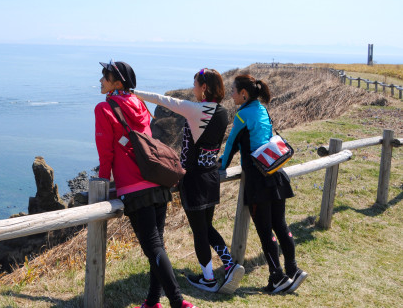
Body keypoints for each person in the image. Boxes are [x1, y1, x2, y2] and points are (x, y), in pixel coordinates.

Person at [95, 60, 198, 308]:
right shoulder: (139, 104)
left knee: (153, 248)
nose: (100, 81)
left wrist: (102, 182)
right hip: (156, 180)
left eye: (105, 77)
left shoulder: (104, 108)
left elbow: (106, 151)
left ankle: (178, 302)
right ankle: (153, 301)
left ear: (117, 83)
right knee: (157, 247)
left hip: (133, 186)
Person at [134, 68, 244, 294]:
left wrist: (133, 92)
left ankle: (209, 279)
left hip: (194, 180)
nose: (193, 89)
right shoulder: (223, 112)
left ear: (204, 87)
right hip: (211, 176)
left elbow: (164, 100)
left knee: (199, 232)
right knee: (206, 227)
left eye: (195, 85)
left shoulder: (197, 111)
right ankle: (230, 265)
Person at [218, 74, 308, 294]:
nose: (231, 94)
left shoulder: (242, 115)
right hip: (275, 173)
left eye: (233, 90)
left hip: (258, 181)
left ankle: (277, 277)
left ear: (244, 94)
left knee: (265, 231)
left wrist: (220, 168)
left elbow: (231, 145)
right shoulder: (261, 110)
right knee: (281, 225)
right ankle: (293, 270)